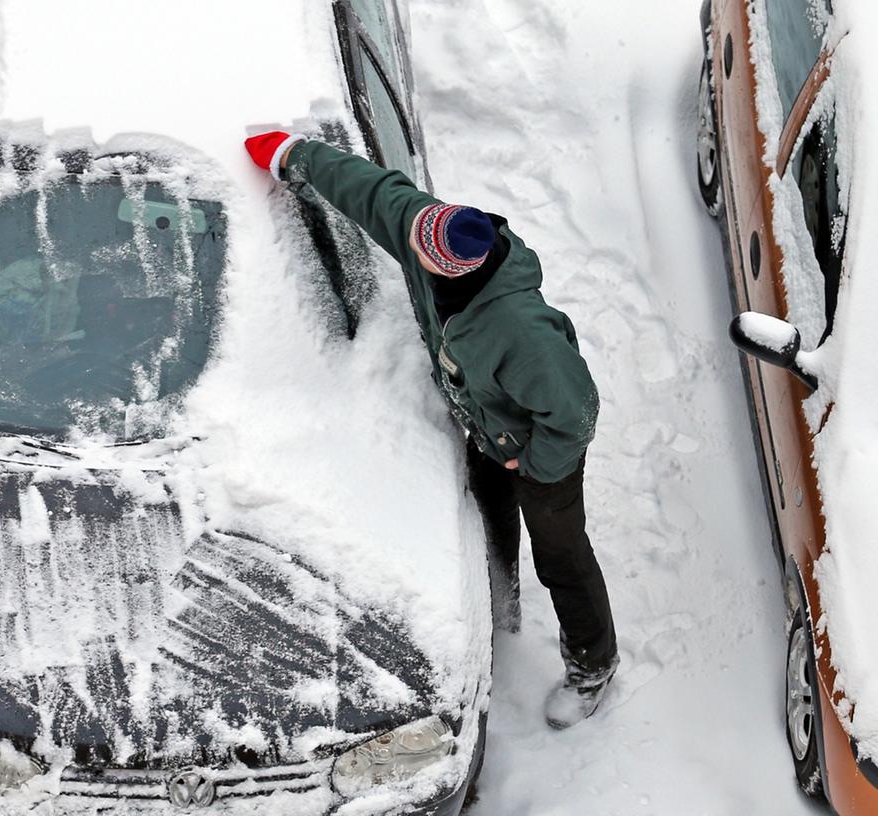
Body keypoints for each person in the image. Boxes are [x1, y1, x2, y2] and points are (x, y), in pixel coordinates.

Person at [244, 130, 619, 729]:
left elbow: (576, 414)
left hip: (540, 452)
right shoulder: (429, 231)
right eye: (414, 240)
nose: (409, 249)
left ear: (451, 269)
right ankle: (502, 613)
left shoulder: (519, 330)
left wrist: (535, 464)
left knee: (562, 556)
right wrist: (294, 155)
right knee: (491, 525)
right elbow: (372, 192)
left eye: (420, 254)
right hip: (484, 432)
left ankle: (592, 663)